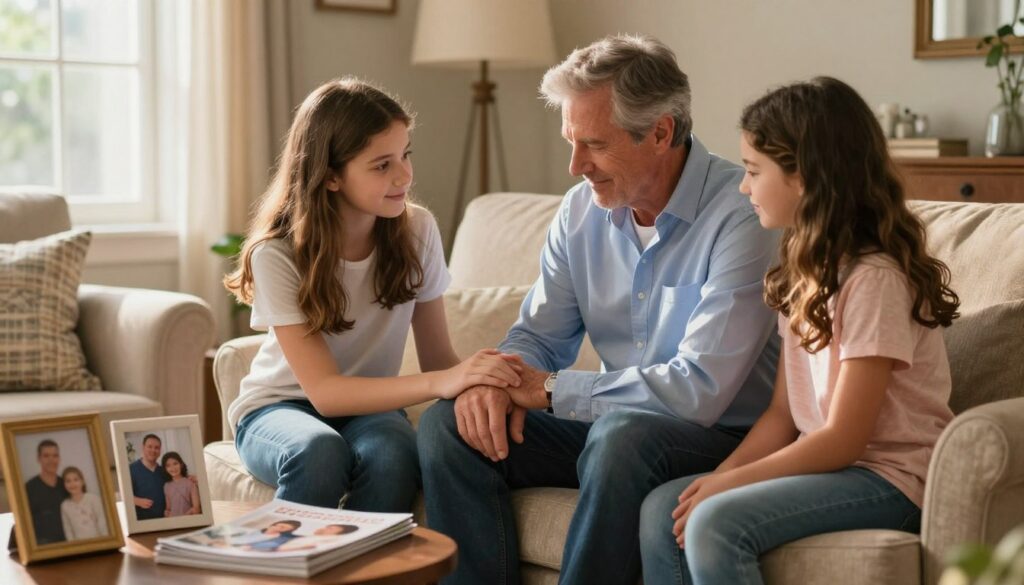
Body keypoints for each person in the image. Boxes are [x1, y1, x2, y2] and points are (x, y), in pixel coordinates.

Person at [417, 34, 780, 584]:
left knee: (622, 436)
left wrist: (550, 389)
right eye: (570, 141)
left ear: (660, 132)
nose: (574, 165)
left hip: (720, 436)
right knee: (452, 423)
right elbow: (538, 336)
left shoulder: (742, 214)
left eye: (594, 144)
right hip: (618, 431)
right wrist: (495, 380)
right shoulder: (579, 212)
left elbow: (700, 389)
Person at [638, 76, 961, 585]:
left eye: (752, 171)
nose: (743, 187)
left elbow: (845, 439)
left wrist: (730, 486)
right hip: (836, 468)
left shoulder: (873, 280)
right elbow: (783, 414)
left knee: (715, 522)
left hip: (893, 480)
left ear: (805, 178)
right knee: (664, 507)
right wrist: (719, 476)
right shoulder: (803, 276)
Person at [223, 77, 522, 513]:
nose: (404, 175)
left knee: (394, 455)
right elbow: (325, 393)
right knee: (318, 452)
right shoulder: (279, 253)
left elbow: (439, 357)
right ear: (330, 177)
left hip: (371, 413)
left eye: (405, 155)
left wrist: (486, 381)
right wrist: (442, 382)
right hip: (279, 408)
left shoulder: (417, 231)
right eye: (381, 165)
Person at [24, 439, 68, 544]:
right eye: (46, 456)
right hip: (41, 546)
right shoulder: (28, 488)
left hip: (68, 543)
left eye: (55, 456)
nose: (51, 460)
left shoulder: (67, 485)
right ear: (39, 459)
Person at [59, 466, 108, 540]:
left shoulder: (93, 499)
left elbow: (102, 522)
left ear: (82, 481)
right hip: (80, 545)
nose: (72, 484)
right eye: (68, 481)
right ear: (64, 484)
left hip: (98, 541)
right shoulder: (64, 506)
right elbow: (68, 530)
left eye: (76, 480)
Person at [129, 434, 168, 520]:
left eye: (156, 447)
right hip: (142, 524)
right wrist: (136, 501)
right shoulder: (130, 470)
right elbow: (123, 496)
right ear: (143, 447)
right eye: (149, 447)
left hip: (165, 522)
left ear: (160, 451)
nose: (153, 450)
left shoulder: (164, 471)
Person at [162, 452, 201, 517]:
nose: (173, 468)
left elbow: (196, 509)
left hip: (188, 521)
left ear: (181, 464)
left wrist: (182, 518)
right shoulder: (166, 486)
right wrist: (167, 513)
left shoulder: (190, 482)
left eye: (175, 463)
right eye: (168, 465)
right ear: (165, 469)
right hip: (173, 523)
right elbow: (168, 508)